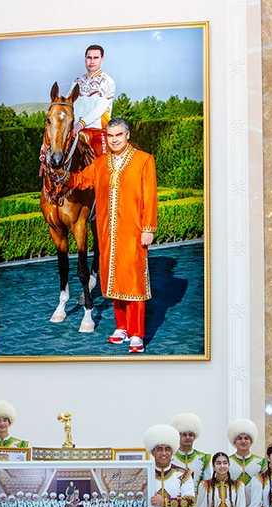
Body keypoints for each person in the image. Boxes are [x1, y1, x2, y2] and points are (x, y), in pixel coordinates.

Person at [68, 117, 158, 353]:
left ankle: (137, 334)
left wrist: (148, 228)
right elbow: (80, 181)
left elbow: (150, 197)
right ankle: (122, 328)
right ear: (106, 138)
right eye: (110, 136)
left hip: (134, 231)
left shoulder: (144, 160)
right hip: (107, 232)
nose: (115, 140)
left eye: (119, 135)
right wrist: (60, 174)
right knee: (113, 278)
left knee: (134, 281)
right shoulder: (100, 164)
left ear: (127, 135)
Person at [71, 44, 116, 158]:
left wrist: (80, 124)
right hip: (75, 130)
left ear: (102, 59)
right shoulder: (77, 82)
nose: (92, 61)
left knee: (102, 165)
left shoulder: (107, 82)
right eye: (89, 57)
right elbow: (69, 104)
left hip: (98, 130)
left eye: (96, 58)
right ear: (85, 59)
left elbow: (99, 109)